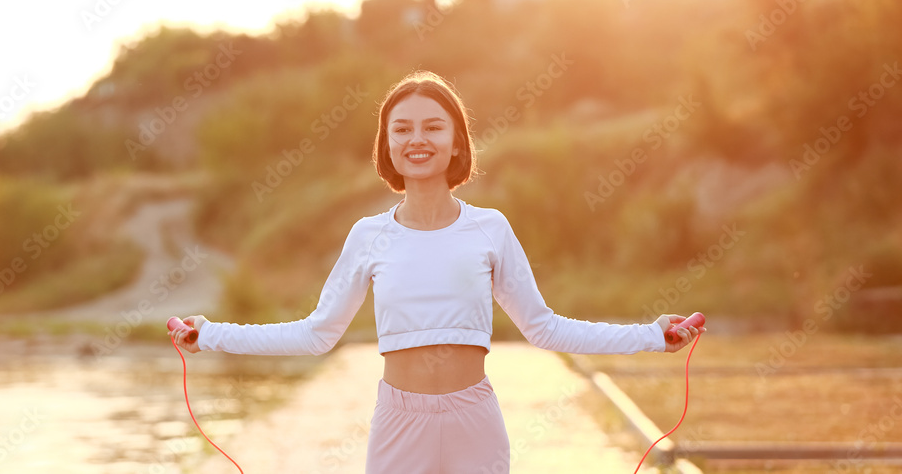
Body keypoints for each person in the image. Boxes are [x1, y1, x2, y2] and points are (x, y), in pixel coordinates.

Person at [171, 70, 705, 473]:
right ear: (388, 146)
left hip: (474, 418)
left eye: (432, 126)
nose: (416, 139)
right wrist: (210, 333)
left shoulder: (489, 229)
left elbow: (545, 328)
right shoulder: (368, 236)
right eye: (401, 129)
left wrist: (654, 336)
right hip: (398, 421)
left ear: (456, 141)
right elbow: (316, 335)